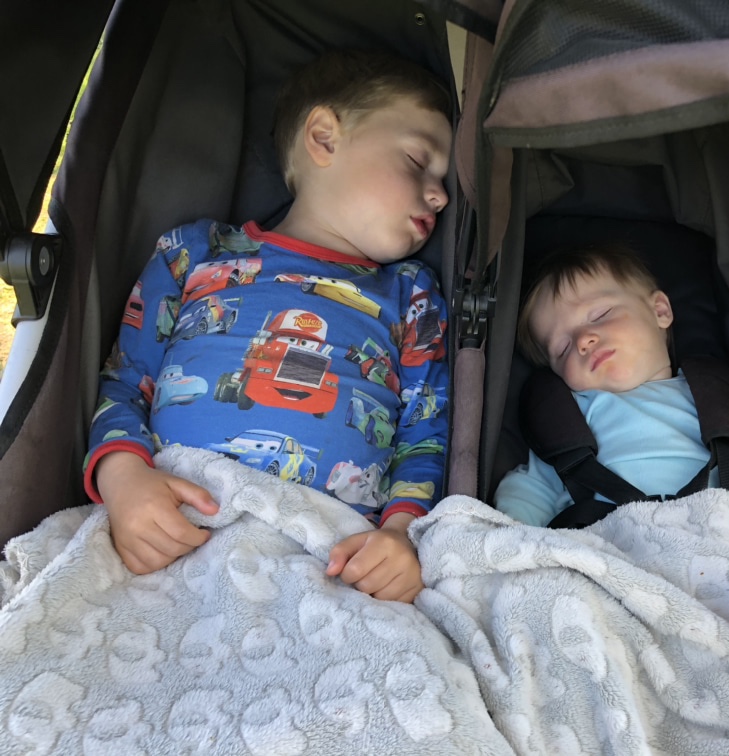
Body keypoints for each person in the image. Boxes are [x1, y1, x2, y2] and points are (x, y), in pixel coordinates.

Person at [85, 48, 453, 603]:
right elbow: (125, 380)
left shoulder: (411, 292)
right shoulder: (193, 253)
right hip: (173, 524)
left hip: (330, 558)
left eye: (444, 180)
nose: (441, 195)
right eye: (418, 161)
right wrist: (122, 479)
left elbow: (424, 429)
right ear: (324, 138)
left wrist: (402, 534)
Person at [494, 243, 729, 526]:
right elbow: (531, 490)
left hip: (725, 540)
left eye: (600, 314)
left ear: (660, 311)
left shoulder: (722, 399)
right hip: (610, 547)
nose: (583, 341)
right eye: (563, 348)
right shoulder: (569, 416)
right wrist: (512, 531)